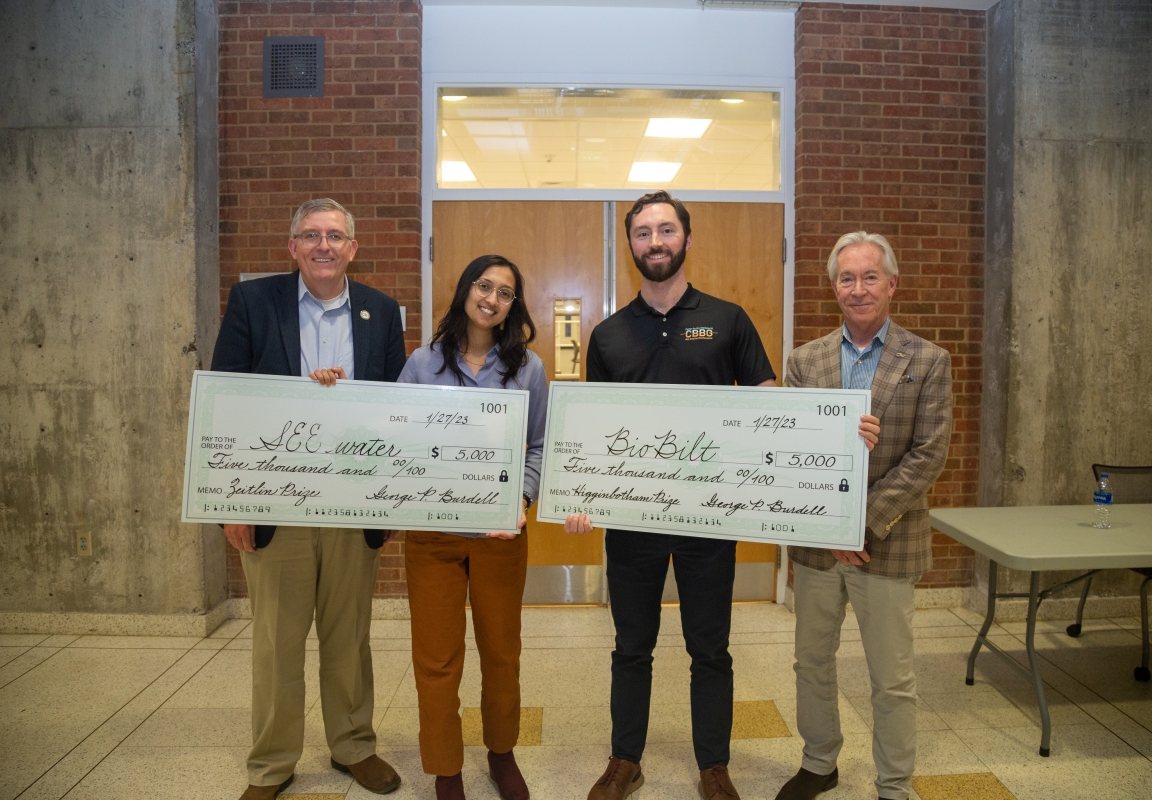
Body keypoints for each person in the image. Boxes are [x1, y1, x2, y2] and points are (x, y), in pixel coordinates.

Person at [563, 190, 778, 800]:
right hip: (632, 523)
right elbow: (593, 428)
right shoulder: (607, 334)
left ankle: (714, 765)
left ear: (686, 237)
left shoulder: (729, 318)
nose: (654, 242)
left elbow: (767, 403)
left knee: (709, 647)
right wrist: (582, 493)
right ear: (629, 244)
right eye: (642, 233)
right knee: (631, 646)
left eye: (665, 230)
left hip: (707, 520)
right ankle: (624, 759)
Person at [312, 255, 545, 800]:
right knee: (436, 660)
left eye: (505, 292)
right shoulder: (422, 363)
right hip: (434, 539)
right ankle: (445, 768)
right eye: (484, 286)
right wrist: (333, 391)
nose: (492, 298)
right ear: (466, 290)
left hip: (499, 535)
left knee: (501, 652)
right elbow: (391, 437)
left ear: (514, 305)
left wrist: (523, 497)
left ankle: (501, 752)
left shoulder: (528, 368)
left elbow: (536, 445)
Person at [212, 198, 407, 800]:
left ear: (353, 247)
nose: (323, 246)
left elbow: (399, 409)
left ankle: (353, 746)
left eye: (335, 236)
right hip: (277, 504)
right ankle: (271, 765)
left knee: (348, 636)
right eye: (310, 236)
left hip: (353, 506)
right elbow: (227, 400)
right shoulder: (254, 303)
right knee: (276, 641)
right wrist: (232, 500)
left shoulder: (382, 310)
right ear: (292, 246)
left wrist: (393, 494)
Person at [775, 232, 951, 800]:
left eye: (869, 277)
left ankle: (895, 785)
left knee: (892, 678)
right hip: (819, 545)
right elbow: (792, 449)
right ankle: (819, 761)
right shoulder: (804, 361)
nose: (858, 288)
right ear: (833, 289)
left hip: (889, 542)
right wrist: (833, 524)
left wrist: (862, 523)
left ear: (892, 284)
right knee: (811, 663)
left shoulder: (928, 361)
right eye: (846, 279)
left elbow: (930, 456)